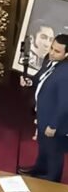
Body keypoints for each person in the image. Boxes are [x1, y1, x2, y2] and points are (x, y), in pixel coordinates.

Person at [18, 34, 68, 181]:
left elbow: (65, 104)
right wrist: (29, 82)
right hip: (43, 115)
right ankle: (39, 169)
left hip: (54, 121)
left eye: (57, 51)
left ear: (66, 54)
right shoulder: (50, 61)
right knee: (43, 147)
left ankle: (52, 180)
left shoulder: (66, 74)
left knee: (54, 153)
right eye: (52, 48)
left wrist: (53, 125)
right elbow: (40, 79)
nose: (51, 52)